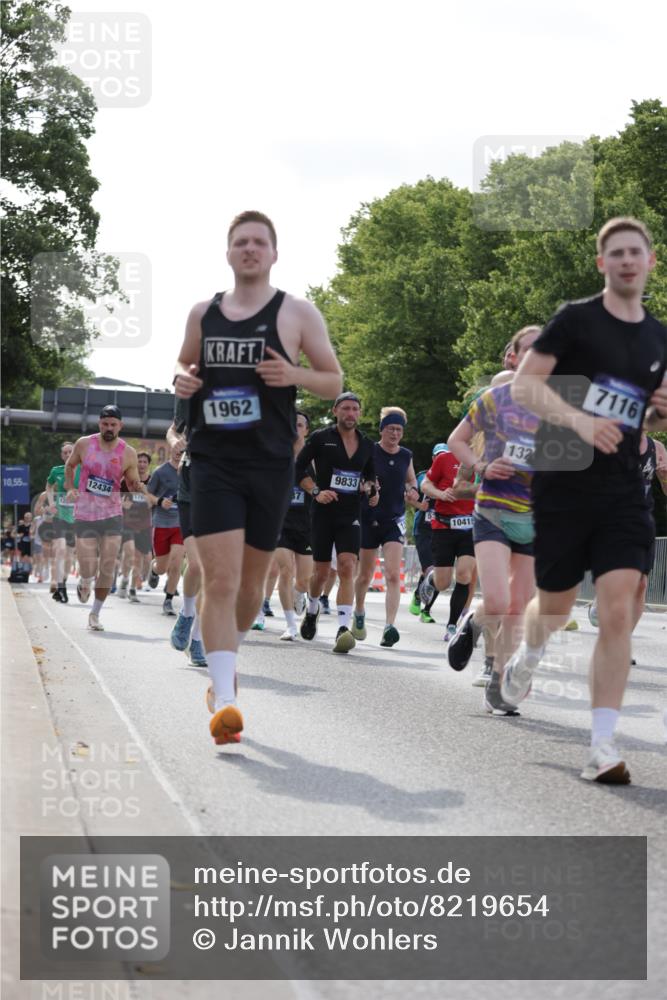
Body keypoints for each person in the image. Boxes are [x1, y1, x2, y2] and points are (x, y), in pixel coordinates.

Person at [503, 217, 667, 783]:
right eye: (615, 252)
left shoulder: (658, 337)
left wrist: (658, 411)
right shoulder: (575, 320)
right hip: (564, 475)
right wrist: (580, 420)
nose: (626, 260)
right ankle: (527, 656)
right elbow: (525, 385)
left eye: (635, 252)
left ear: (650, 261)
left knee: (619, 608)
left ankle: (601, 747)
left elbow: (648, 413)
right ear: (602, 263)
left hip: (624, 486)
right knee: (554, 604)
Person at [174, 210, 342, 746]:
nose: (250, 249)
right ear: (228, 252)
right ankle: (224, 698)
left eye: (259, 242)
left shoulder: (295, 312)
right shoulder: (203, 312)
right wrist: (180, 381)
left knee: (250, 588)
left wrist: (293, 374)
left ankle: (229, 657)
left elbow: (332, 378)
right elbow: (184, 368)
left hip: (270, 464)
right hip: (214, 461)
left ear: (274, 253)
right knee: (220, 580)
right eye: (240, 242)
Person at [447, 325, 542, 709]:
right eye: (531, 351)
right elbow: (457, 440)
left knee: (519, 606)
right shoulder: (494, 398)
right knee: (500, 602)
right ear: (515, 357)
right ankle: (473, 619)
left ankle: (499, 683)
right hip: (494, 512)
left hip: (537, 518)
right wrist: (482, 466)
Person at [295, 392, 377, 653]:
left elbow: (371, 478)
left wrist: (372, 490)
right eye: (345, 408)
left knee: (347, 566)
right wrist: (316, 491)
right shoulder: (321, 438)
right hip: (322, 512)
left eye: (355, 409)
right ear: (335, 411)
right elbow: (298, 470)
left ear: (360, 414)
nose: (350, 413)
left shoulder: (367, 444)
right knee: (320, 573)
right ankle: (311, 608)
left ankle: (343, 627)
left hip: (350, 513)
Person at [65, 405, 144, 631]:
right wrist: (70, 488)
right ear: (99, 423)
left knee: (108, 565)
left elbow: (131, 482)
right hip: (85, 513)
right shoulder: (83, 444)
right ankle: (85, 580)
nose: (109, 428)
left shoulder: (127, 452)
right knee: (88, 566)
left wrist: (136, 486)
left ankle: (95, 614)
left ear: (120, 426)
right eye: (105, 424)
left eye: (113, 425)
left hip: (112, 513)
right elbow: (70, 466)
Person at [352, 407, 420, 647]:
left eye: (399, 429)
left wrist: (412, 489)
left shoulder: (406, 455)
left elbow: (411, 479)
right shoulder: (370, 450)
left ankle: (389, 627)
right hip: (369, 517)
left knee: (392, 574)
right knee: (365, 575)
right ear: (382, 430)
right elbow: (357, 477)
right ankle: (359, 611)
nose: (395, 433)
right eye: (390, 428)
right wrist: (366, 486)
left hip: (394, 520)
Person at [420, 444, 476, 639]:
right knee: (443, 583)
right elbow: (425, 484)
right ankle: (432, 577)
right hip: (443, 526)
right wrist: (440, 494)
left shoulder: (487, 463)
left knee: (464, 574)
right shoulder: (444, 459)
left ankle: (452, 625)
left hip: (471, 528)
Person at [272, 411, 314, 640]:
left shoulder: (314, 459)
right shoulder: (277, 456)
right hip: (281, 524)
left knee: (305, 579)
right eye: (292, 424)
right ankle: (290, 624)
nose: (295, 429)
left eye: (300, 425)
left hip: (307, 525)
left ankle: (300, 594)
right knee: (285, 569)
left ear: (306, 429)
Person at [146, 442, 186, 616]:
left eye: (183, 451)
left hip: (181, 523)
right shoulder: (160, 472)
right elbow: (148, 495)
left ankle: (168, 600)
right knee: (163, 567)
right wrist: (160, 501)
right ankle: (154, 570)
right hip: (162, 522)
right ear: (172, 450)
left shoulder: (190, 472)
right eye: (177, 450)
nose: (179, 453)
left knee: (177, 563)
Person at [409, 446, 445, 622]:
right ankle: (418, 596)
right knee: (430, 570)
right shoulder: (425, 475)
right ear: (433, 458)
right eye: (439, 456)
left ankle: (426, 610)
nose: (442, 459)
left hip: (442, 529)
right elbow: (415, 493)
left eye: (445, 456)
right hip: (423, 530)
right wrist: (420, 505)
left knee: (441, 571)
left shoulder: (453, 477)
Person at [46, 442, 80, 602]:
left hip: (76, 518)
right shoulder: (56, 471)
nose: (67, 455)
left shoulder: (82, 470)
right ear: (62, 455)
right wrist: (51, 503)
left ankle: (63, 581)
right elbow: (49, 486)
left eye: (70, 452)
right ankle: (61, 586)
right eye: (65, 453)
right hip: (60, 516)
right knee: (59, 549)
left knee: (69, 555)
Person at [118, 451, 153, 602]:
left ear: (148, 465)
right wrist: (122, 504)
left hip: (144, 525)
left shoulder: (152, 482)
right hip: (127, 522)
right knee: (129, 551)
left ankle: (132, 588)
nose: (142, 464)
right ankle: (125, 578)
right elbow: (114, 499)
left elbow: (153, 502)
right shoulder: (125, 481)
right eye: (139, 461)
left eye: (145, 462)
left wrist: (147, 498)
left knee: (139, 558)